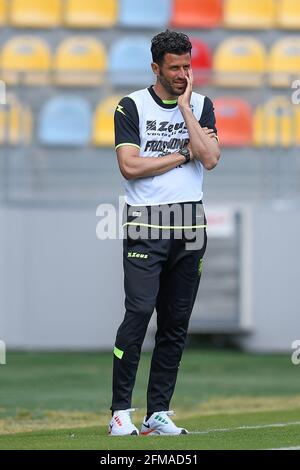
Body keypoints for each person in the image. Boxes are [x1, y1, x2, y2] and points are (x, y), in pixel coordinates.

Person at [109, 30, 220, 436]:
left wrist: (187, 109)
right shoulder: (130, 106)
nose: (182, 74)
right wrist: (182, 154)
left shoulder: (203, 105)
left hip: (190, 226)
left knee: (175, 323)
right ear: (155, 67)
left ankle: (159, 412)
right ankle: (121, 411)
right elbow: (130, 167)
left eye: (187, 66)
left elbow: (209, 159)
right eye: (174, 67)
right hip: (146, 223)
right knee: (138, 313)